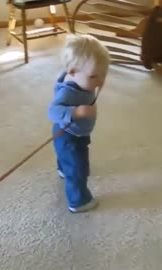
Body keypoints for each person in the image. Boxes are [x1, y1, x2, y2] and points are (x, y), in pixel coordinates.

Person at [48, 34, 110, 213]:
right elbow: (52, 111)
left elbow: (93, 77)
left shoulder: (81, 78)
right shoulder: (67, 93)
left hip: (73, 131)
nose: (99, 81)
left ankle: (62, 168)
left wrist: (96, 78)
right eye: (93, 77)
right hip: (70, 135)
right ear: (72, 71)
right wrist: (77, 112)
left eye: (103, 75)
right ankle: (79, 201)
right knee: (77, 170)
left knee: (64, 156)